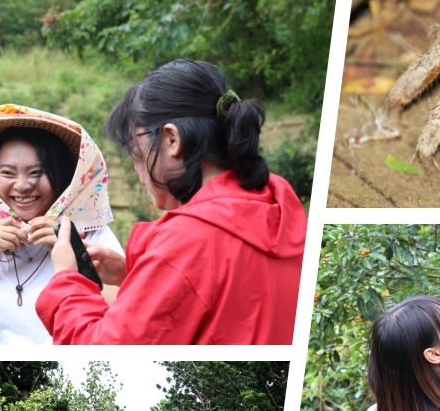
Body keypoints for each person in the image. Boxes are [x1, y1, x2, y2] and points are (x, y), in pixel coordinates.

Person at [36, 60, 306, 344]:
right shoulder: (278, 209)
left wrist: (67, 278)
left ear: (171, 140)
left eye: (134, 149)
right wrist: (138, 275)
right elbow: (230, 304)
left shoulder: (189, 242)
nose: (135, 167)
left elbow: (99, 350)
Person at [0, 105, 123, 344]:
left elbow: (123, 317)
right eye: (8, 173)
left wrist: (70, 255)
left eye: (36, 173)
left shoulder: (90, 234)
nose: (23, 185)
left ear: (60, 175)